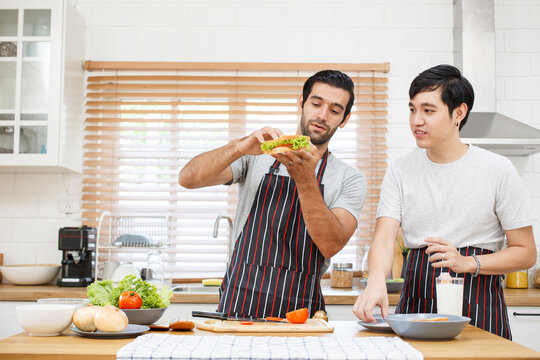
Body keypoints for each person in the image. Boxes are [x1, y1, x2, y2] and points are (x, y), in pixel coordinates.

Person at [352, 64, 536, 339]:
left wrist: (467, 262)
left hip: (479, 302)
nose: (416, 120)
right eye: (412, 109)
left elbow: (526, 252)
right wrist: (376, 279)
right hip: (416, 299)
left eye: (428, 110)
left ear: (458, 113)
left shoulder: (497, 169)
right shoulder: (400, 169)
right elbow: (384, 237)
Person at [179, 70, 367, 319]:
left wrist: (305, 180)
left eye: (334, 110)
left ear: (344, 119)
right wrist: (238, 147)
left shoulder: (350, 179)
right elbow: (187, 179)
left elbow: (331, 244)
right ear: (301, 103)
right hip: (239, 303)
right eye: (316, 103)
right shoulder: (256, 157)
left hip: (302, 312)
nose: (322, 115)